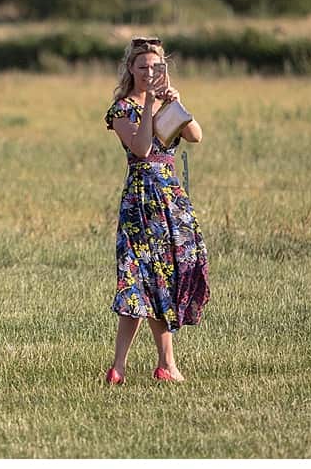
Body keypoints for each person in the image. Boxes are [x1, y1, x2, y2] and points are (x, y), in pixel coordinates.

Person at [103, 37, 208, 384]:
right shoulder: (121, 109)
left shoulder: (166, 100)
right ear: (130, 69)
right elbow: (143, 148)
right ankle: (160, 365)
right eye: (143, 66)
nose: (149, 72)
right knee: (137, 280)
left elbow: (195, 136)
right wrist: (148, 104)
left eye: (156, 67)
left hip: (170, 197)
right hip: (140, 199)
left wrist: (177, 103)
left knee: (160, 280)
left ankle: (129, 368)